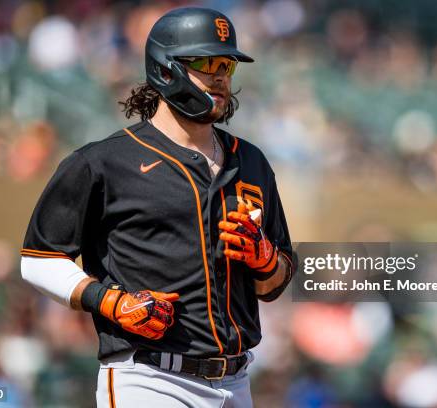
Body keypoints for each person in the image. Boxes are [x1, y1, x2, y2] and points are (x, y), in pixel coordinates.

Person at [21, 7, 295, 407]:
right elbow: (38, 259)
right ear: (166, 68)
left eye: (228, 65)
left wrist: (266, 260)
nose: (220, 75)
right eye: (206, 62)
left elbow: (276, 283)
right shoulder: (103, 162)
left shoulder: (251, 162)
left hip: (236, 381)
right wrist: (109, 300)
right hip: (149, 378)